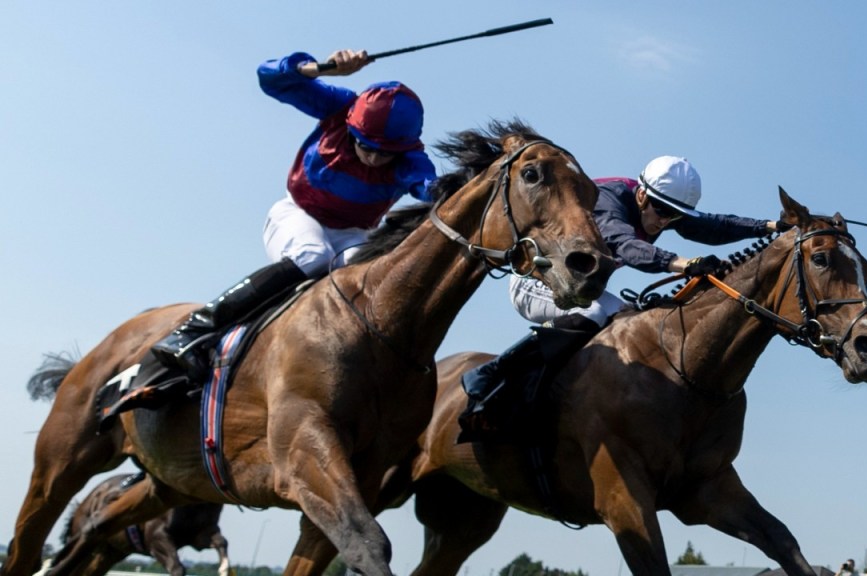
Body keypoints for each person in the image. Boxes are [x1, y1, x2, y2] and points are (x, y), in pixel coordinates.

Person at [151, 48, 437, 379]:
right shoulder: (339, 107)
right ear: (351, 126)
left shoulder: (411, 160)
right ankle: (192, 330)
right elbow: (270, 78)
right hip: (300, 214)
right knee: (313, 256)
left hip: (353, 234)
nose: (372, 158)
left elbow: (435, 189)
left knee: (372, 276)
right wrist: (320, 69)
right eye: (364, 146)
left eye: (384, 153)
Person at [460, 156, 787, 428]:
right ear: (641, 194)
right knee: (598, 314)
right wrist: (683, 263)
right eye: (661, 212)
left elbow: (713, 225)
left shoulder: (661, 209)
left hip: (578, 288)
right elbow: (624, 244)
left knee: (631, 318)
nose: (664, 222)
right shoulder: (607, 199)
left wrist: (770, 227)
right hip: (534, 281)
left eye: (674, 217)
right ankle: (493, 376)